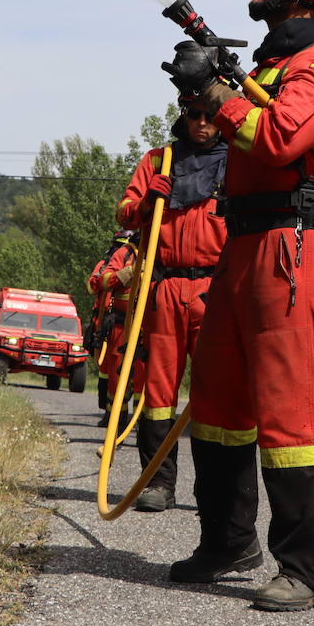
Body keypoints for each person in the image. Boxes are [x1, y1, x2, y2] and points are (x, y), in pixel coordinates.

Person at [160, 0, 314, 611]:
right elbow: (248, 120)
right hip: (245, 243)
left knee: (288, 404)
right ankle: (227, 541)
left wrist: (219, 98)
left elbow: (279, 137)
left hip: (295, 243)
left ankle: (308, 571)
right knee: (218, 397)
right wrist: (213, 89)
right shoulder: (275, 70)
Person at [115, 99, 228, 512]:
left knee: (216, 394)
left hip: (215, 291)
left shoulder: (236, 165)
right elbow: (125, 214)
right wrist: (147, 201)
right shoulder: (158, 161)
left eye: (210, 117)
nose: (202, 124)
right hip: (165, 289)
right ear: (184, 116)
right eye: (195, 116)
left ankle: (215, 491)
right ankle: (158, 485)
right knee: (159, 393)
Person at [85, 230, 138, 426]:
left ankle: (133, 420)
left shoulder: (144, 256)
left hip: (132, 323)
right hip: (109, 322)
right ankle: (110, 414)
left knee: (131, 372)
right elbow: (92, 287)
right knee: (107, 369)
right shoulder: (106, 264)